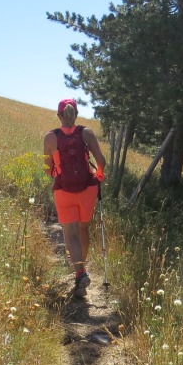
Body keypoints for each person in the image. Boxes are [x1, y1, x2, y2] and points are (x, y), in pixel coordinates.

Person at [43, 98, 107, 297]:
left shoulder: (50, 137)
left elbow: (47, 169)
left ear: (59, 115)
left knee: (69, 232)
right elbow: (101, 161)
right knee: (83, 228)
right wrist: (98, 175)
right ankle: (82, 270)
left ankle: (80, 273)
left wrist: (58, 175)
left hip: (63, 190)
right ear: (76, 113)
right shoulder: (86, 132)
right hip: (87, 188)